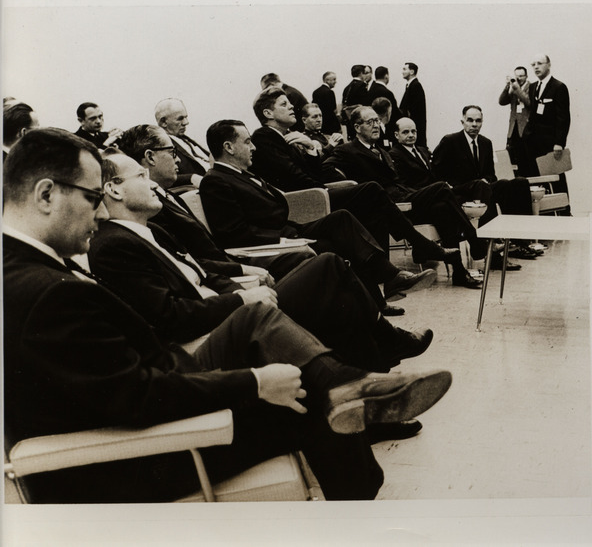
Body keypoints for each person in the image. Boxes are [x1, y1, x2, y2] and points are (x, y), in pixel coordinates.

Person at [2, 127, 452, 502]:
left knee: (271, 336)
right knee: (305, 398)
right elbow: (136, 396)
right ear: (46, 194)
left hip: (135, 414)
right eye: (91, 196)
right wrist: (255, 382)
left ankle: (349, 389)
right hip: (127, 461)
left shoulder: (25, 269)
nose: (99, 211)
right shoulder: (46, 290)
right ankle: (356, 510)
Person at [89, 150, 436, 409]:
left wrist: (246, 286)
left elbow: (203, 276)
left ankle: (373, 390)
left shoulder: (151, 232)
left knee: (332, 281)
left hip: (231, 307)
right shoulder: (114, 245)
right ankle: (378, 367)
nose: (152, 182)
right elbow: (170, 316)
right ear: (114, 190)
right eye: (141, 175)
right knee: (327, 269)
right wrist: (241, 299)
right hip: (220, 329)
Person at [199, 119, 438, 306]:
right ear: (229, 147)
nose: (253, 147)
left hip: (290, 230)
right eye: (247, 142)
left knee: (342, 219)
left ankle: (387, 283)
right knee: (341, 241)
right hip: (275, 241)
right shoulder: (216, 181)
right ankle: (382, 294)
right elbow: (232, 233)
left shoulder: (243, 175)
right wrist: (283, 240)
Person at [248, 86, 458, 275]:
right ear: (268, 113)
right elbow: (296, 178)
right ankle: (420, 246)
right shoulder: (264, 137)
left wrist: (311, 148)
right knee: (372, 189)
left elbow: (312, 174)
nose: (292, 107)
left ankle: (388, 277)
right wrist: (317, 167)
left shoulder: (287, 137)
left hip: (314, 194)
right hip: (303, 202)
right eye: (284, 104)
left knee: (376, 210)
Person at [117, 124, 315, 281]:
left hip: (232, 262)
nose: (178, 161)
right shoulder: (151, 208)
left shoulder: (168, 197)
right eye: (172, 152)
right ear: (150, 157)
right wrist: (242, 269)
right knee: (317, 260)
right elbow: (189, 260)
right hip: (225, 275)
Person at [323, 106, 486, 289]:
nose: (376, 125)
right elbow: (325, 169)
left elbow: (398, 182)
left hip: (403, 196)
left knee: (441, 207)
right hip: (386, 203)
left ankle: (459, 272)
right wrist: (352, 184)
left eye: (377, 121)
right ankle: (473, 239)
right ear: (357, 127)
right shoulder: (347, 150)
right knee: (441, 188)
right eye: (370, 122)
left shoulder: (383, 152)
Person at [432, 105, 539, 261]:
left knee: (519, 183)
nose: (474, 124)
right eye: (470, 120)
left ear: (482, 122)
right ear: (462, 122)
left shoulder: (485, 143)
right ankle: (491, 246)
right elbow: (435, 172)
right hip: (459, 191)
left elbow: (491, 175)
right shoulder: (450, 141)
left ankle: (519, 242)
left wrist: (487, 180)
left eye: (478, 121)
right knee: (482, 187)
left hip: (481, 189)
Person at [524, 54, 571, 213]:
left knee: (556, 178)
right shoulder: (533, 87)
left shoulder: (559, 87)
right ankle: (544, 213)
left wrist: (559, 143)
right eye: (533, 64)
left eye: (540, 63)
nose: (536, 67)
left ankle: (564, 212)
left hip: (550, 144)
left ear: (549, 65)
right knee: (537, 180)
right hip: (533, 144)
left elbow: (563, 118)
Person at [154, 98, 211, 187]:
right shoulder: (161, 146)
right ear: (164, 122)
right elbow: (159, 177)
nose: (186, 122)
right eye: (180, 119)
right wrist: (190, 178)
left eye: (186, 117)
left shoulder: (186, 139)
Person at [499, 66, 534, 175]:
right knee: (512, 158)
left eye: (521, 76)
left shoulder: (532, 87)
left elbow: (529, 102)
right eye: (516, 76)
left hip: (525, 129)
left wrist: (517, 89)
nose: (518, 79)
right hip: (513, 128)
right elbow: (502, 101)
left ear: (526, 76)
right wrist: (507, 86)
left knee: (526, 160)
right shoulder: (513, 88)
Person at [368, 65, 403, 142]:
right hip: (387, 130)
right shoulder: (387, 93)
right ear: (386, 76)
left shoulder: (370, 90)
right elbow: (395, 113)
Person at [399, 62, 427, 147]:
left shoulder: (415, 86)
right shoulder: (411, 85)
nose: (402, 72)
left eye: (404, 69)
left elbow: (415, 110)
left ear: (412, 71)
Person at [311, 71, 341, 135]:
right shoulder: (330, 92)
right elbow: (334, 110)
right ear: (327, 80)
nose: (336, 82)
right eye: (334, 79)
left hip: (321, 124)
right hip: (331, 125)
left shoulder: (315, 92)